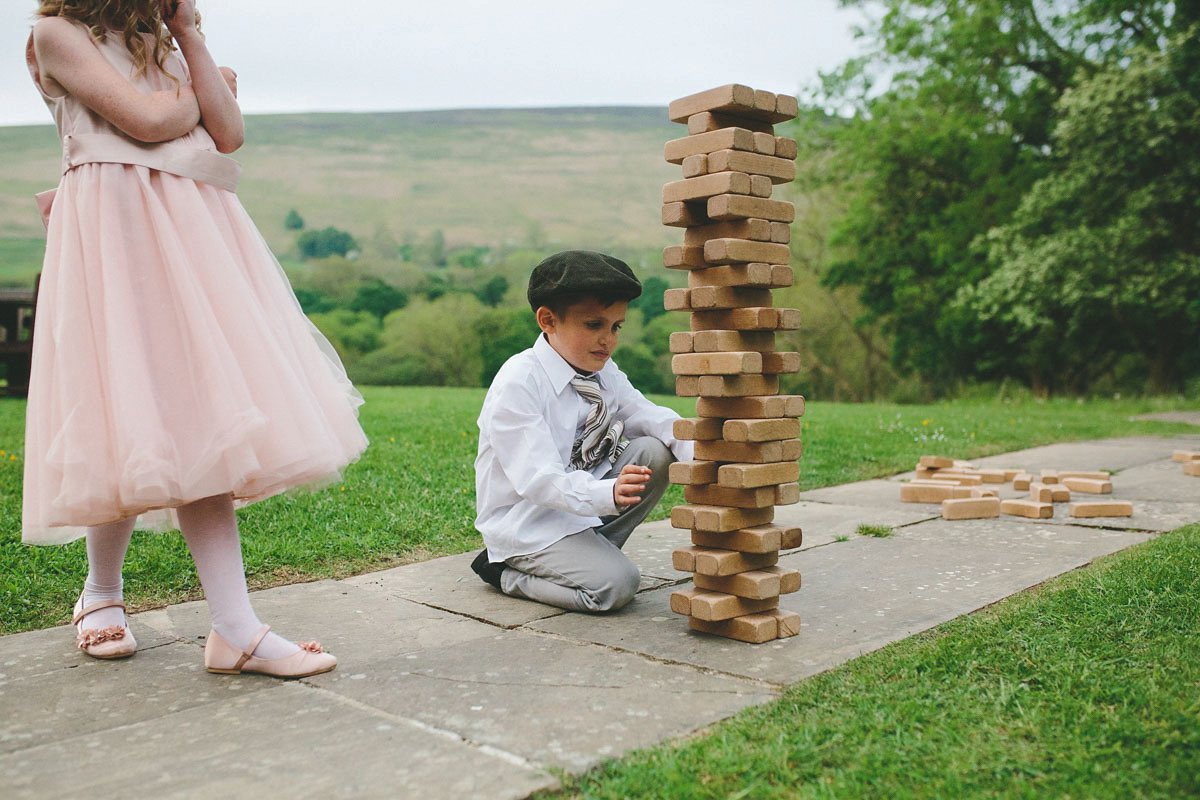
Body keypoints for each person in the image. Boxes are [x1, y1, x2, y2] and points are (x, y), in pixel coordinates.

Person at [23, 0, 368, 678]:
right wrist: (196, 98)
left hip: (191, 234)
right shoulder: (56, 34)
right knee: (120, 408)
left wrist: (187, 38)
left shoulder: (164, 38)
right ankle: (103, 594)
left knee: (197, 413)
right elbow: (146, 121)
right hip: (115, 234)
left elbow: (230, 132)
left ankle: (231, 627)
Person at [471, 250, 692, 612]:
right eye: (594, 325)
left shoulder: (602, 371)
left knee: (654, 451)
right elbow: (539, 481)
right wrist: (608, 493)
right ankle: (506, 573)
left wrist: (701, 452)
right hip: (530, 522)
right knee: (617, 585)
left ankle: (590, 554)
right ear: (548, 320)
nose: (608, 340)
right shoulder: (519, 381)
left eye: (616, 326)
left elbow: (646, 414)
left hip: (581, 508)